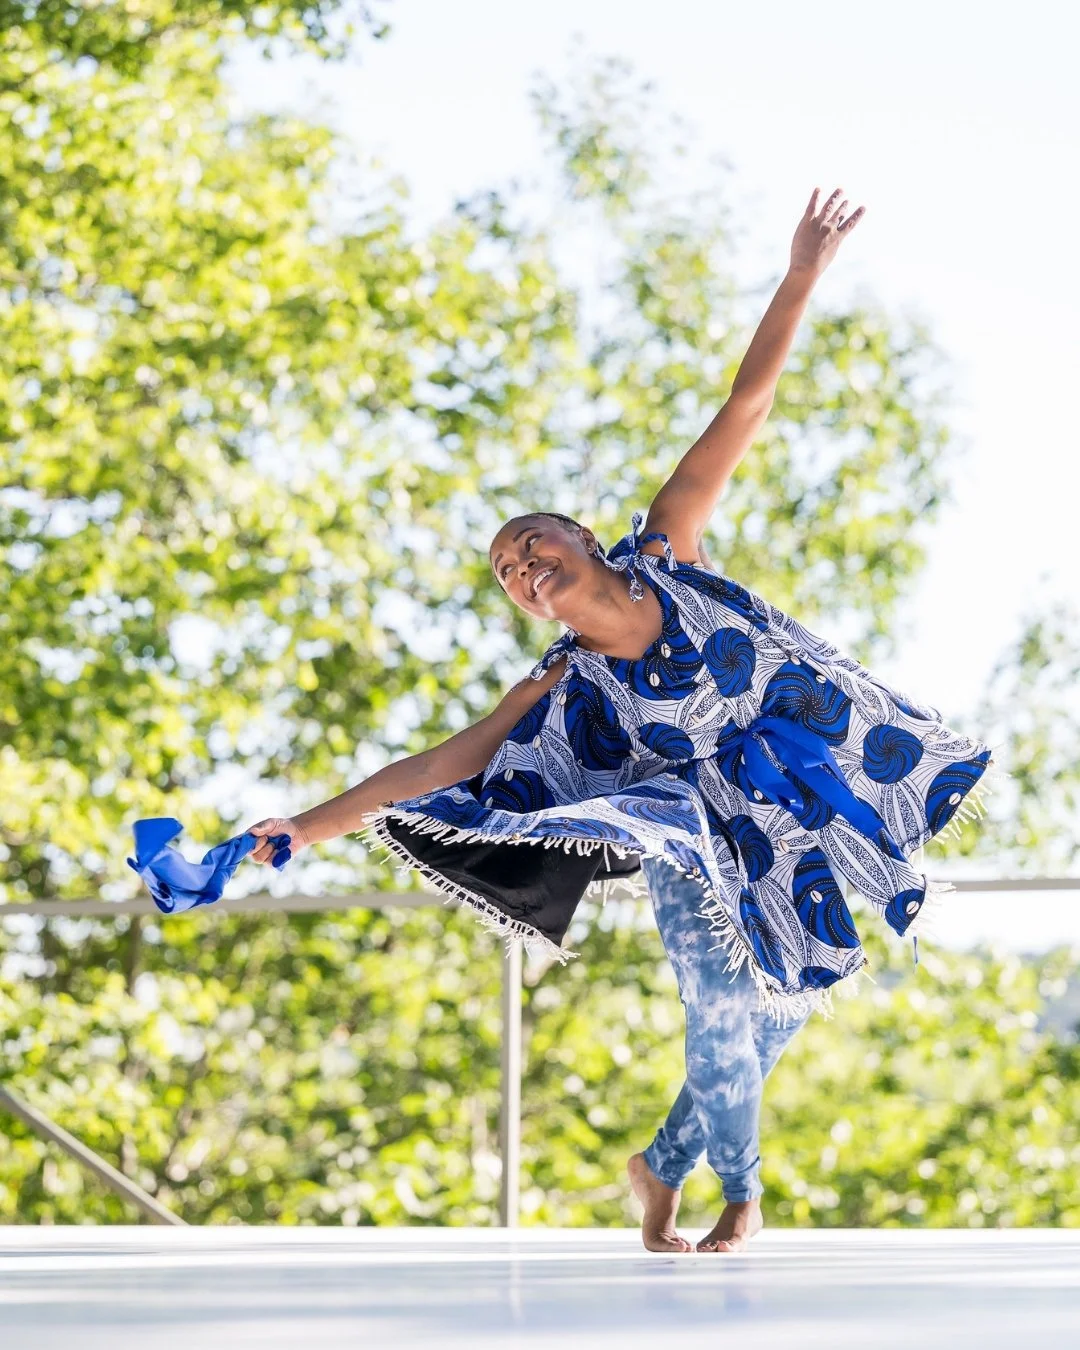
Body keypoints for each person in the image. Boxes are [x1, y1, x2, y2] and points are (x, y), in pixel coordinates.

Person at [245, 188, 995, 1252]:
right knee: (723, 1013)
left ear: (585, 538)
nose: (523, 567)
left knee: (779, 1004)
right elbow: (431, 767)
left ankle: (660, 1163)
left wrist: (801, 275)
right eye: (508, 571)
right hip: (692, 850)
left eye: (534, 542)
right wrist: (302, 827)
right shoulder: (561, 686)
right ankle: (742, 1192)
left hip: (789, 804)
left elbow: (743, 409)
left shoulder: (671, 552)